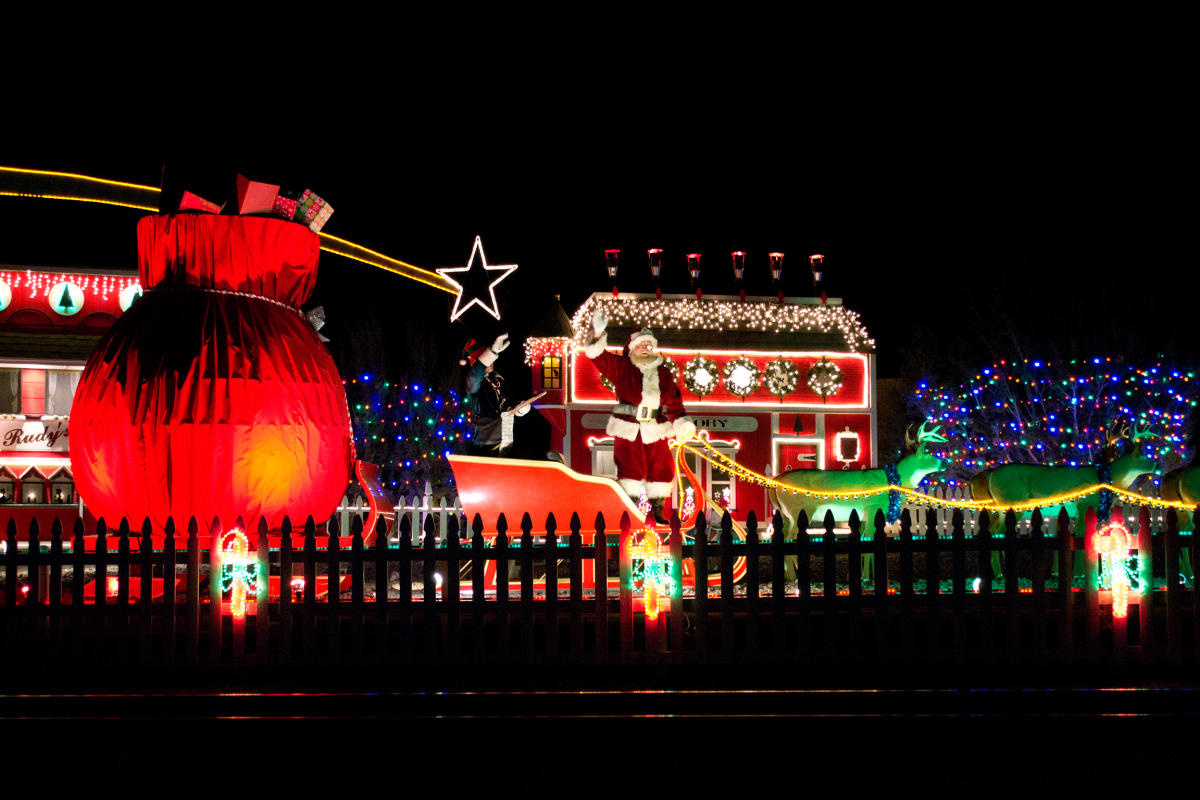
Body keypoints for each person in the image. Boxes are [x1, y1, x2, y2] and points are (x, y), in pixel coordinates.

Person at [584, 312, 696, 522]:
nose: (645, 348)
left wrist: (681, 421)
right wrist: (598, 333)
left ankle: (657, 510)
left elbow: (674, 400)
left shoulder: (663, 373)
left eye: (648, 345)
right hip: (629, 425)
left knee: (662, 466)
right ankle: (628, 510)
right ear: (632, 347)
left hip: (656, 425)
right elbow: (599, 358)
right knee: (630, 469)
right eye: (641, 344)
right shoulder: (622, 367)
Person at [464, 333, 533, 457]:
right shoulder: (473, 382)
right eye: (485, 359)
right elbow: (475, 376)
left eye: (491, 360)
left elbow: (508, 402)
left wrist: (520, 408)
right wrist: (492, 352)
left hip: (506, 438)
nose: (490, 362)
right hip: (485, 441)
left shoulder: (498, 379)